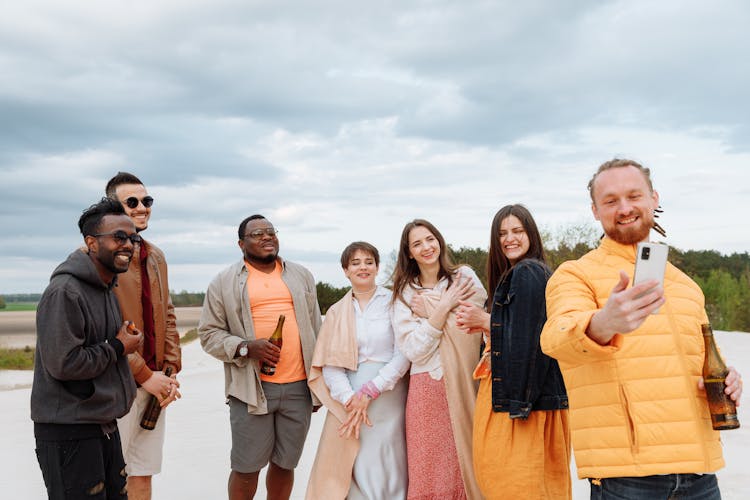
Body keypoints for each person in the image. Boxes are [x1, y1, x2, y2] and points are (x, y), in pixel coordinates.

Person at [540, 159, 743, 499]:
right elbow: (556, 337)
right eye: (610, 200)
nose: (624, 208)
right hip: (626, 478)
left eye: (634, 196)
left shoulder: (687, 286)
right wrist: (603, 323)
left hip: (701, 472)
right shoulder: (575, 274)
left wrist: (728, 380)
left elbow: (704, 361)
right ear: (595, 210)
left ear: (654, 199)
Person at [198, 214, 322, 500]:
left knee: (285, 463)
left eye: (271, 231)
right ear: (241, 244)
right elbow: (208, 334)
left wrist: (317, 385)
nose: (266, 237)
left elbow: (317, 328)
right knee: (246, 467)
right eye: (257, 234)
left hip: (298, 387)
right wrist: (245, 347)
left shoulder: (301, 274)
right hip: (251, 389)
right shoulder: (224, 281)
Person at [455, 204, 571, 499]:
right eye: (502, 233)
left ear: (530, 233)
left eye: (517, 231)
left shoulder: (528, 272)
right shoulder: (521, 274)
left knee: (515, 486)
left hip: (522, 406)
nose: (509, 238)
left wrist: (486, 322)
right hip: (524, 401)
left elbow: (532, 340)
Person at [31, 198, 144, 499]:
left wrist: (119, 342)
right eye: (119, 237)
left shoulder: (107, 287)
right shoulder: (65, 292)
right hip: (68, 429)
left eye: (133, 238)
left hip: (102, 424)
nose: (128, 245)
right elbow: (64, 363)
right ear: (92, 243)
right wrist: (119, 346)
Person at [391, 219, 487, 500]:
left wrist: (430, 312)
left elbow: (473, 325)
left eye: (430, 239)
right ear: (409, 253)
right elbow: (413, 350)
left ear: (440, 241)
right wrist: (444, 305)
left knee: (467, 461)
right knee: (429, 468)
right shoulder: (405, 294)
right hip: (427, 390)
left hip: (465, 380)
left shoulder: (464, 276)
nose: (426, 247)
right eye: (417, 243)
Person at [307, 242, 410, 499]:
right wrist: (349, 399)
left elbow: (404, 353)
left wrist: (370, 391)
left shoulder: (395, 301)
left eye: (368, 262)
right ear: (345, 270)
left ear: (377, 267)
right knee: (353, 456)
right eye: (355, 263)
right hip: (348, 398)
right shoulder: (336, 311)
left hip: (389, 392)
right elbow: (330, 364)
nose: (362, 267)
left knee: (391, 453)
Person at [106, 172, 182, 500]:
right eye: (132, 202)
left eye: (147, 201)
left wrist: (170, 371)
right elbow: (106, 324)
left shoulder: (157, 256)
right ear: (113, 208)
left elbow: (166, 312)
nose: (142, 208)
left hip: (155, 386)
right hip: (117, 383)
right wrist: (144, 375)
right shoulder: (100, 257)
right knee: (112, 476)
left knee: (143, 475)